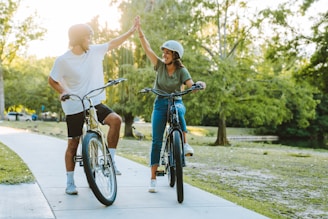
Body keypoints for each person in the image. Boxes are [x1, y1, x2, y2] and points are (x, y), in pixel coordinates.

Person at [48, 17, 139, 195]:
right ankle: (70, 182)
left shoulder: (94, 51)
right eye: (88, 37)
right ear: (79, 38)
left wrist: (131, 31)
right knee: (73, 144)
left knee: (115, 120)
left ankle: (109, 162)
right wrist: (62, 91)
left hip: (94, 102)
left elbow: (114, 43)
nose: (90, 40)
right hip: (74, 105)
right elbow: (52, 80)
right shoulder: (63, 60)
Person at [136, 18, 206, 193]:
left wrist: (199, 85)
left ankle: (185, 144)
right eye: (164, 52)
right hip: (160, 104)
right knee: (156, 141)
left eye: (168, 52)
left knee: (178, 110)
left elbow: (191, 85)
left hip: (176, 102)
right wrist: (140, 33)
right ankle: (153, 178)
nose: (164, 55)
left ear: (175, 55)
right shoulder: (159, 66)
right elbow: (148, 50)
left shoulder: (182, 70)